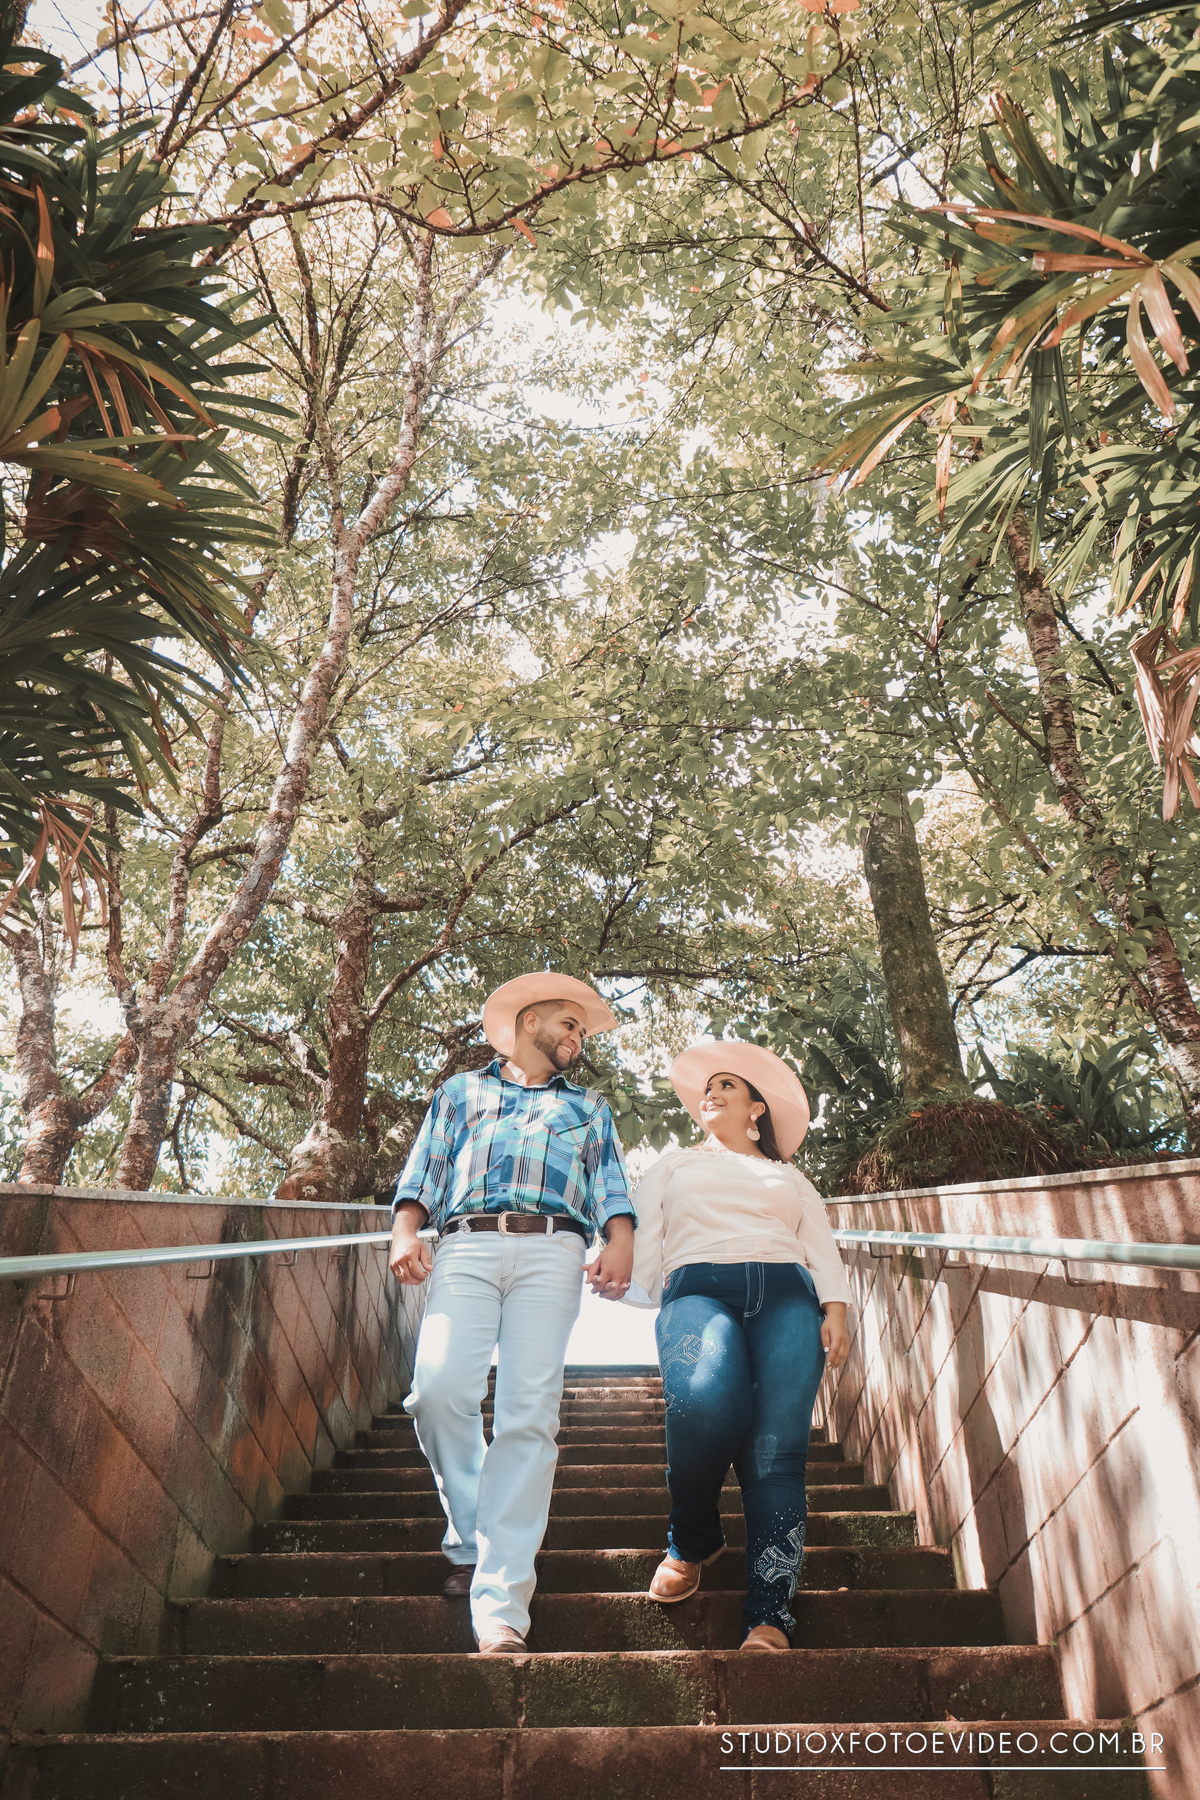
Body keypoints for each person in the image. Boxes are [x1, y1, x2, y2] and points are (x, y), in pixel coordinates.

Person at [387, 972, 635, 1655]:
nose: (578, 1038)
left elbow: (609, 1181)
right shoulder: (461, 1092)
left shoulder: (588, 1107)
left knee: (528, 1416)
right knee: (437, 1391)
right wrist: (405, 1230)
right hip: (466, 1243)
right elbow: (427, 1167)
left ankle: (500, 1606)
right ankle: (473, 1536)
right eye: (569, 1024)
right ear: (530, 1021)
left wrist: (620, 1239)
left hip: (554, 1250)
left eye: (581, 1030)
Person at [624, 1037, 853, 1652]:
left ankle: (770, 1615)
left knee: (777, 1454)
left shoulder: (789, 1175)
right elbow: (641, 1225)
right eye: (708, 1087)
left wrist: (835, 1307)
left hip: (788, 1296)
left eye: (727, 1085)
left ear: (757, 1108)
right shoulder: (674, 1163)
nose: (712, 1093)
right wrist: (620, 1268)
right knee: (704, 1399)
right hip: (698, 1288)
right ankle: (692, 1539)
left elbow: (819, 1242)